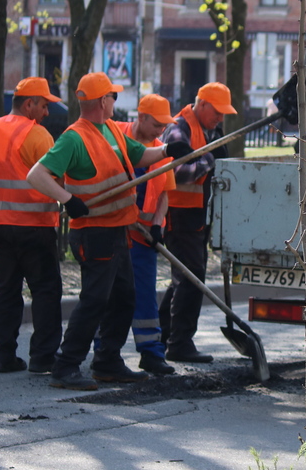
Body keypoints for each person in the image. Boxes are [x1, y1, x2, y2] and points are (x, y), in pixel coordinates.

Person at [26, 73, 192, 391]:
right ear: (103, 101)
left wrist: (169, 149)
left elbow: (140, 155)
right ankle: (66, 365)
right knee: (95, 301)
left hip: (117, 230)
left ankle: (107, 361)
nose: (116, 101)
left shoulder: (111, 130)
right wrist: (67, 200)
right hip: (93, 233)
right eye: (113, 96)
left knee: (123, 298)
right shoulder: (74, 137)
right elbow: (37, 175)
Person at [0, 77, 64, 374]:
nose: (47, 112)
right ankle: (43, 356)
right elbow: (56, 180)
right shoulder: (38, 135)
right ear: (29, 103)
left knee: (6, 291)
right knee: (45, 289)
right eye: (44, 105)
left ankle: (3, 357)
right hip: (35, 225)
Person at [159, 82, 234, 365]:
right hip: (178, 215)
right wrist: (211, 159)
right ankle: (179, 343)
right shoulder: (180, 128)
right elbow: (179, 173)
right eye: (217, 112)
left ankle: (163, 335)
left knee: (184, 278)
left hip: (196, 216)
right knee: (192, 278)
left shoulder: (208, 130)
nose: (221, 118)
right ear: (202, 104)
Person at [114, 94, 177, 376]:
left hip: (143, 238)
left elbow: (164, 192)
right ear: (141, 117)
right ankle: (106, 352)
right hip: (116, 232)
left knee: (146, 297)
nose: (161, 131)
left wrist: (157, 225)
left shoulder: (162, 151)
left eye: (165, 125)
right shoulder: (116, 137)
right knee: (111, 295)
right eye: (156, 124)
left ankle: (151, 353)